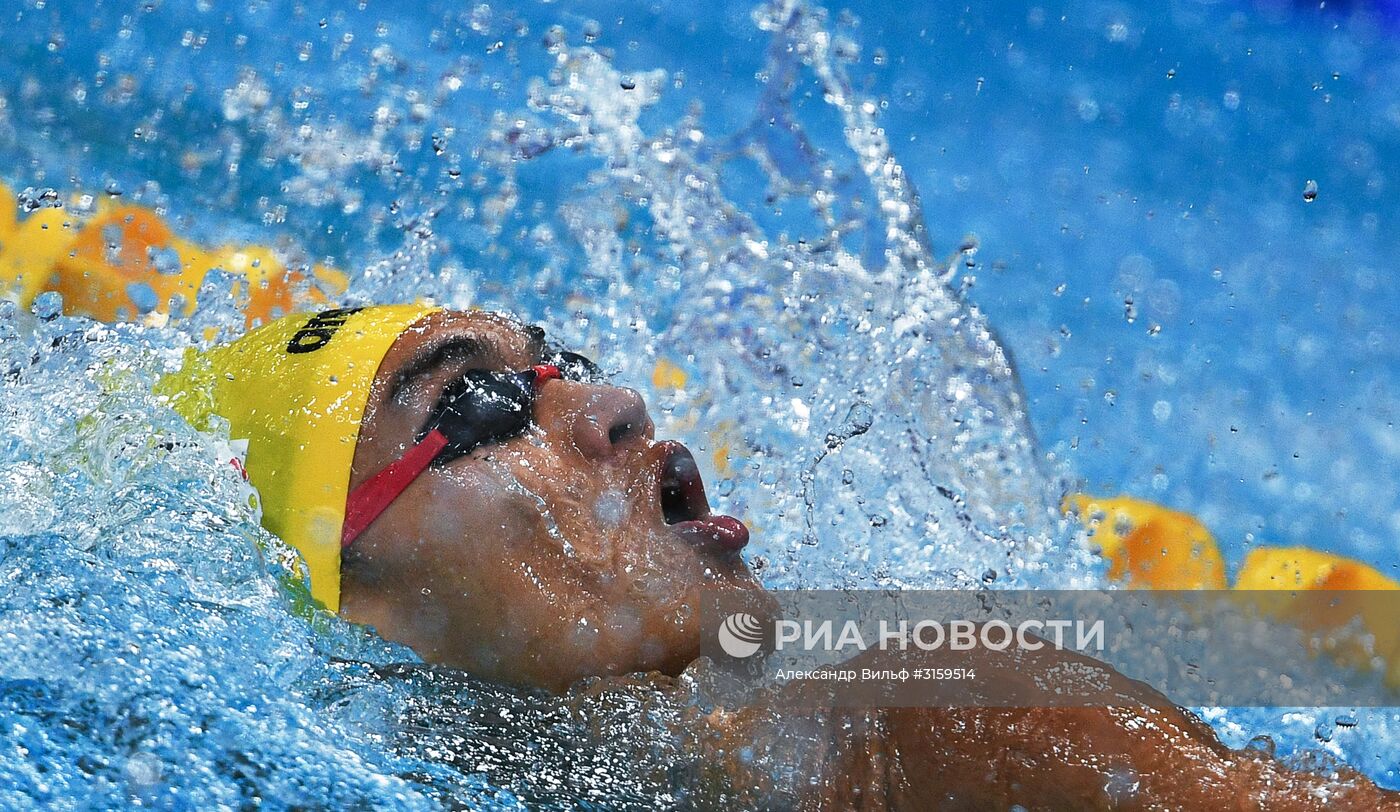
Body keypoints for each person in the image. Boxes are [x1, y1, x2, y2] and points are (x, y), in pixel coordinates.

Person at [5, 194, 1397, 806]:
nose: (614, 409)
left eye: (564, 368)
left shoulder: (938, 710)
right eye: (483, 405)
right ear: (347, 587)